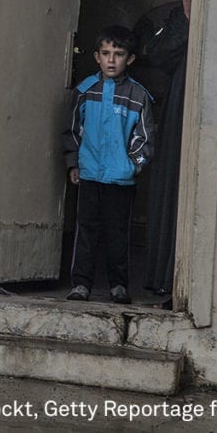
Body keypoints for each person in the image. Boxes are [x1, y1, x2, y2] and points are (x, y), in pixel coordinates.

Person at [62, 25, 155, 304]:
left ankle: (118, 285)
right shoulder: (85, 91)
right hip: (89, 174)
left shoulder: (138, 96)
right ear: (96, 57)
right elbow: (72, 130)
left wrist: (133, 166)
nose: (111, 60)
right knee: (86, 230)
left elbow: (146, 137)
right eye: (106, 53)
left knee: (117, 232)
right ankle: (81, 284)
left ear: (131, 59)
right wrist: (73, 163)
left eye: (119, 54)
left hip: (121, 179)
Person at [141, 0, 194, 305]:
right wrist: (188, 18)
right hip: (178, 108)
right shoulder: (178, 15)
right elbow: (158, 56)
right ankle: (164, 281)